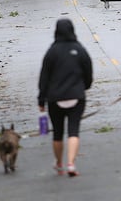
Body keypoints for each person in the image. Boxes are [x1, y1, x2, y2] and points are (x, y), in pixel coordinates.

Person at [38, 19, 93, 177]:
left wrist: (41, 100)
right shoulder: (79, 49)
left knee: (58, 132)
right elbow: (88, 71)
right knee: (73, 131)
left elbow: (44, 79)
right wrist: (85, 87)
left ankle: (59, 163)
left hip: (55, 98)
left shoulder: (51, 52)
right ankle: (71, 163)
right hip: (76, 97)